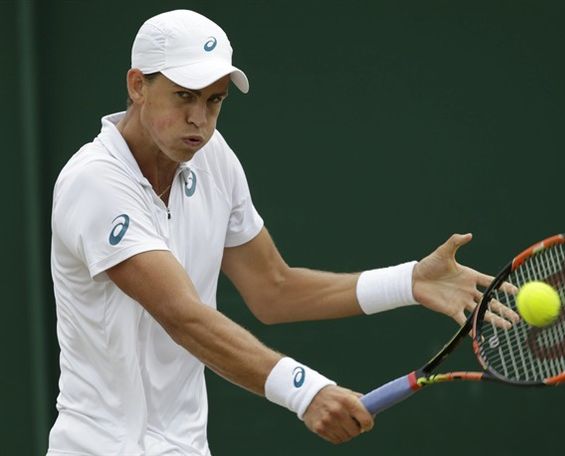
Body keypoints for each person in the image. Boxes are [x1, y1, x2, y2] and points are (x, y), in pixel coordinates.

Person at [47, 9, 514, 455]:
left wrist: (408, 281)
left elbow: (273, 290)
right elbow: (181, 315)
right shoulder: (95, 182)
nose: (200, 119)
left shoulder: (213, 160)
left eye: (214, 101)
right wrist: (305, 391)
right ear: (137, 86)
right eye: (184, 96)